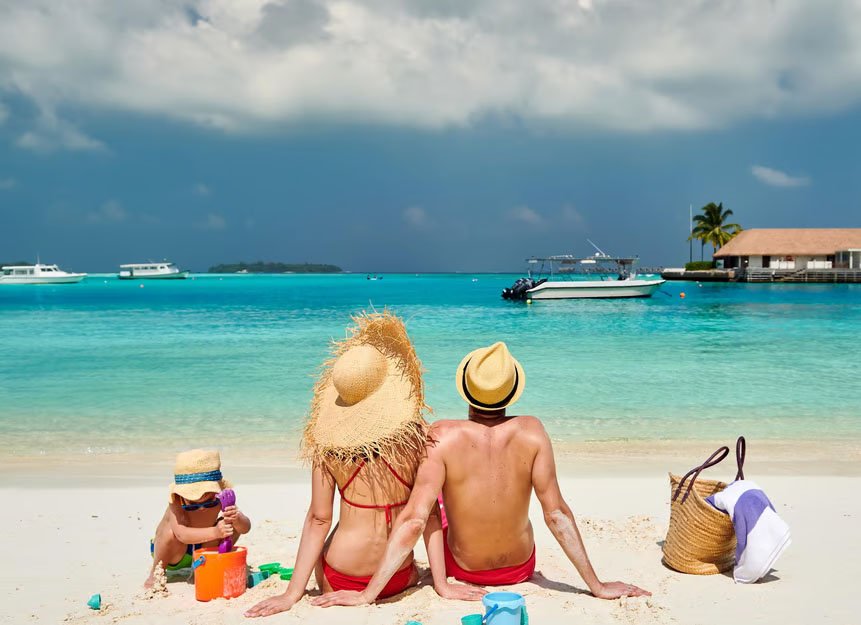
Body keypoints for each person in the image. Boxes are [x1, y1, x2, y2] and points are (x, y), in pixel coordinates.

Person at [312, 342, 650, 607]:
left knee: (434, 503)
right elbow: (557, 514)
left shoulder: (441, 436)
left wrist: (367, 595)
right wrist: (597, 585)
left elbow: (415, 521)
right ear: (512, 390)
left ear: (466, 390)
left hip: (464, 569)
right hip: (519, 568)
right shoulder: (533, 432)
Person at [245, 313, 484, 618]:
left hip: (338, 576)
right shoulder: (415, 438)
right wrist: (441, 584)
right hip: (396, 576)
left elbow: (319, 520)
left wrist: (291, 594)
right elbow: (429, 518)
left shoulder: (328, 447)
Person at [146, 449, 251, 588]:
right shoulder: (176, 501)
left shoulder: (220, 497)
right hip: (172, 552)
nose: (201, 506)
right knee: (169, 531)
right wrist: (215, 532)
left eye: (208, 500)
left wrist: (237, 518)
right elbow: (181, 534)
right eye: (193, 504)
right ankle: (156, 573)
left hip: (204, 550)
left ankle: (200, 570)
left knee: (228, 522)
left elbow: (245, 528)